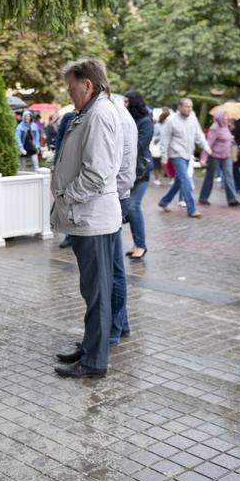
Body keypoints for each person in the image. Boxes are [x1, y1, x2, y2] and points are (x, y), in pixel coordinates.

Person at [52, 58, 123, 378]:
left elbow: (96, 173)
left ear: (88, 85)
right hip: (88, 217)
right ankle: (90, 346)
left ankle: (94, 360)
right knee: (93, 291)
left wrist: (67, 198)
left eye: (71, 88)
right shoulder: (92, 113)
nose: (69, 94)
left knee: (96, 291)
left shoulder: (100, 115)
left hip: (91, 217)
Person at [108, 94, 137, 346]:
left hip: (115, 199)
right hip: (115, 197)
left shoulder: (116, 115)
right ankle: (121, 323)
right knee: (113, 266)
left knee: (114, 268)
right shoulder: (114, 112)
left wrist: (108, 196)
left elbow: (126, 173)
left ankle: (114, 328)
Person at [158, 98, 207, 217]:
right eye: (187, 106)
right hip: (176, 154)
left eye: (191, 107)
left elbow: (199, 134)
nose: (189, 109)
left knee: (179, 181)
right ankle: (192, 209)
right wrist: (164, 156)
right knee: (186, 180)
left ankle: (164, 201)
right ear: (179, 107)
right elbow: (165, 139)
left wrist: (206, 147)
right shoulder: (171, 120)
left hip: (187, 153)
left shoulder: (193, 118)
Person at [123, 91, 154, 260]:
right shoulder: (130, 120)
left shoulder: (145, 121)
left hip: (140, 170)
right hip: (128, 170)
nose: (124, 105)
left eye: (127, 102)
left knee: (133, 207)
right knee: (128, 208)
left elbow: (140, 146)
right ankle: (137, 243)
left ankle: (141, 245)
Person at [198, 108, 240, 207]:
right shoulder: (214, 128)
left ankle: (232, 199)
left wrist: (230, 136)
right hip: (215, 156)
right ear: (219, 117)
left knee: (229, 176)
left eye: (227, 116)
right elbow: (208, 143)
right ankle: (203, 198)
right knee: (210, 176)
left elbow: (226, 137)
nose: (226, 118)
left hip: (226, 156)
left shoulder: (226, 127)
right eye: (224, 116)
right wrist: (203, 158)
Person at [54, 110, 78, 249]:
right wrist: (57, 161)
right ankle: (68, 235)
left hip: (80, 165)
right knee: (65, 200)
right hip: (65, 165)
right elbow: (59, 140)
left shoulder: (92, 115)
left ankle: (75, 233)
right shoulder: (68, 117)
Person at [151, 108, 171, 185]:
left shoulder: (170, 125)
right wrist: (161, 137)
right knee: (157, 164)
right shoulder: (157, 126)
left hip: (167, 147)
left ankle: (170, 178)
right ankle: (156, 179)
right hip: (158, 147)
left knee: (167, 163)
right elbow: (154, 136)